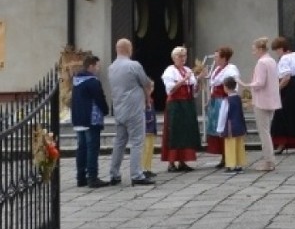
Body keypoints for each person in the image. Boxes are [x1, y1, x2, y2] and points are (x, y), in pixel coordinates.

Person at [107, 38, 155, 187]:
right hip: (134, 109)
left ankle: (114, 174)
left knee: (119, 143)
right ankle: (136, 175)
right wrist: (148, 96)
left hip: (119, 109)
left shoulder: (111, 67)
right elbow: (146, 83)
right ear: (129, 49)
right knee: (137, 142)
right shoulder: (133, 65)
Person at [70, 52, 110, 188]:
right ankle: (92, 177)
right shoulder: (93, 82)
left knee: (81, 148)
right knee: (92, 148)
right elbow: (100, 98)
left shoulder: (76, 81)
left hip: (78, 118)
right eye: (97, 66)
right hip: (91, 118)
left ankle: (81, 177)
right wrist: (106, 110)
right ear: (91, 66)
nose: (98, 69)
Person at [161, 45, 201, 172]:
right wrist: (184, 80)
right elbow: (171, 89)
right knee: (174, 132)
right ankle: (171, 162)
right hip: (175, 104)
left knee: (186, 132)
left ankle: (182, 161)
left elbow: (194, 91)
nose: (183, 58)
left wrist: (198, 80)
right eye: (180, 56)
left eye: (184, 56)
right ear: (174, 58)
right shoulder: (170, 71)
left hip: (187, 104)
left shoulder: (188, 70)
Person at [248, 36, 281, 172]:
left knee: (264, 132)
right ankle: (269, 160)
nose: (253, 52)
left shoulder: (262, 62)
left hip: (262, 101)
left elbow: (259, 83)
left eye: (254, 50)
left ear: (260, 49)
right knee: (267, 131)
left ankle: (269, 161)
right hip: (272, 100)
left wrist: (246, 84)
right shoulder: (272, 60)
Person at [205, 47, 240, 166]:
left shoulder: (231, 69)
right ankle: (223, 156)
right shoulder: (217, 69)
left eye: (216, 56)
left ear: (224, 58)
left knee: (224, 127)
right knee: (216, 128)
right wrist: (210, 97)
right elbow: (213, 85)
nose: (215, 58)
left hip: (224, 101)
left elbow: (232, 85)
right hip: (216, 101)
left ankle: (227, 156)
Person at [216, 75, 247, 174]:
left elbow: (223, 115)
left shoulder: (226, 101)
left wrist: (220, 129)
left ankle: (231, 165)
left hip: (230, 126)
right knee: (239, 145)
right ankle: (239, 164)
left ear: (226, 87)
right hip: (240, 125)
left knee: (230, 146)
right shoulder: (238, 98)